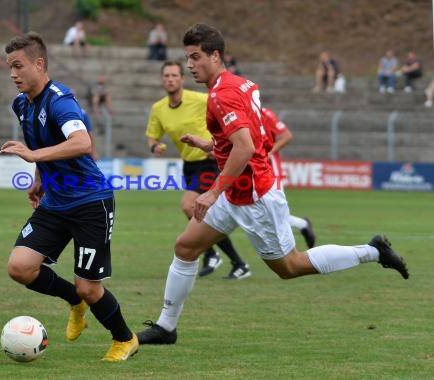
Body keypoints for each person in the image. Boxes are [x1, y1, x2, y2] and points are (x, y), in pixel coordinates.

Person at [137, 23, 408, 345]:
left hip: (253, 196)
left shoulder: (220, 96)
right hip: (236, 192)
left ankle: (372, 251)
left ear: (215, 55)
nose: (190, 65)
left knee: (290, 266)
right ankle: (167, 327)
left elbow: (246, 147)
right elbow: (249, 138)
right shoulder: (242, 85)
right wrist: (212, 146)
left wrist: (212, 191)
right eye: (187, 58)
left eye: (195, 57)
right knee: (185, 247)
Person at [0, 31, 138, 361]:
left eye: (18, 66)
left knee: (89, 286)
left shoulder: (60, 99)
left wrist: (34, 159)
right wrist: (38, 177)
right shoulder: (21, 104)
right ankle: (73, 302)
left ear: (39, 63)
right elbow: (40, 140)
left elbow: (82, 143)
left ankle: (125, 338)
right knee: (20, 267)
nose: (13, 74)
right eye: (9, 67)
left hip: (90, 203)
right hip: (55, 202)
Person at [146, 60, 251, 279]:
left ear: (182, 79)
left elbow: (225, 108)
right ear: (162, 80)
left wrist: (222, 142)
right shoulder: (158, 109)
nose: (170, 79)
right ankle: (236, 263)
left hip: (210, 159)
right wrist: (155, 145)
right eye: (166, 76)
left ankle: (213, 254)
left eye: (175, 75)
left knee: (189, 205)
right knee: (204, 214)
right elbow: (152, 135)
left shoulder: (200, 99)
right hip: (189, 165)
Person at [261, 107, 315, 248]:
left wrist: (269, 152)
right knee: (263, 212)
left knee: (275, 211)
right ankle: (302, 225)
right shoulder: (239, 114)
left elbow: (286, 136)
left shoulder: (265, 114)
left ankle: (287, 248)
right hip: (251, 170)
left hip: (271, 169)